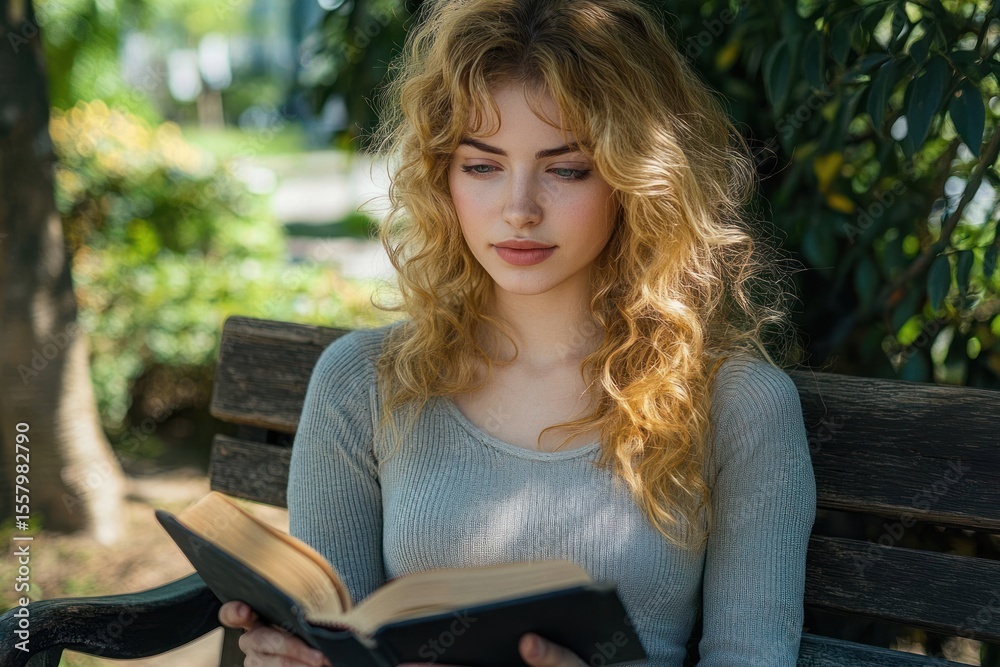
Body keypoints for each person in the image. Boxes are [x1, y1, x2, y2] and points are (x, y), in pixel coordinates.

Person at [219, 0, 817, 665]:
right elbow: (340, 638)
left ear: (637, 179)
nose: (519, 209)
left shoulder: (738, 405)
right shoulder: (360, 383)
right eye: (482, 165)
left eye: (566, 168)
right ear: (442, 177)